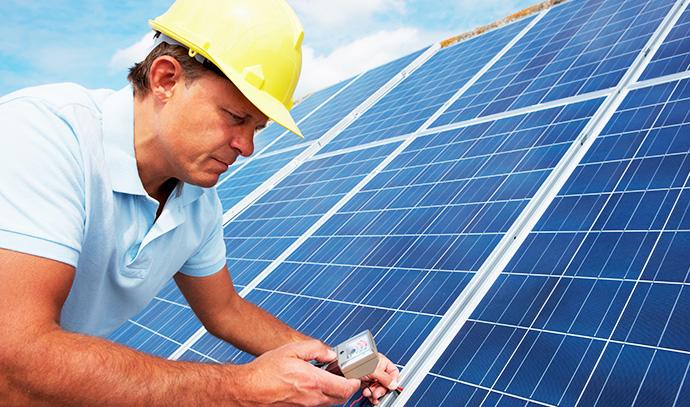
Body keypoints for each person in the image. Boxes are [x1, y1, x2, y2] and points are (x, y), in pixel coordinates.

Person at [0, 0, 399, 405]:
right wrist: (243, 388)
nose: (247, 148)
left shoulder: (197, 202)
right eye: (234, 116)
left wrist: (334, 360)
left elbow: (225, 310)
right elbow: (11, 361)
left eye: (257, 127)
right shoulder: (42, 137)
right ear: (166, 79)